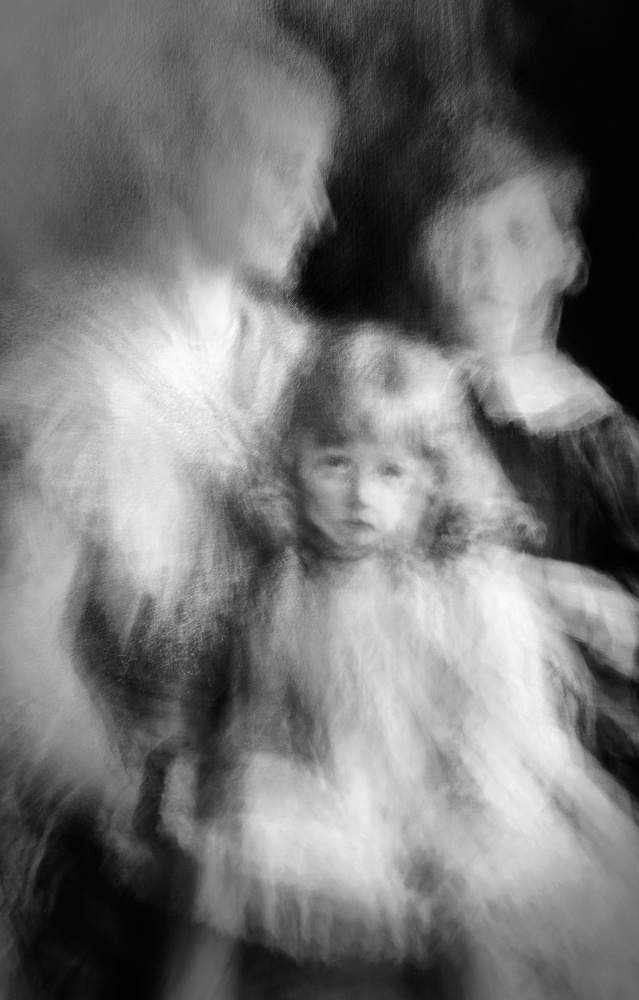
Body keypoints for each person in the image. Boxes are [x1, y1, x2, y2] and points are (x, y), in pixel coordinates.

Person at [163, 328, 639, 999]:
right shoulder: (288, 589)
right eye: (335, 464)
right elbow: (272, 711)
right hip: (345, 796)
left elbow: (507, 737)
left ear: (432, 479)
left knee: (472, 918)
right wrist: (237, 768)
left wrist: (440, 827)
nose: (361, 496)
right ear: (293, 461)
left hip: (466, 801)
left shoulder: (467, 591)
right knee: (219, 866)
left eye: (391, 473)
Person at [0, 14, 340, 998]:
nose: (317, 209)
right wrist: (145, 804)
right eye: (283, 167)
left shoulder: (303, 365)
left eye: (321, 174)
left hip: (297, 813)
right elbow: (18, 655)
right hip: (113, 842)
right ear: (173, 154)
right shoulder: (73, 378)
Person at [414, 133, 639, 781]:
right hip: (424, 707)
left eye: (518, 237)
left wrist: (600, 603)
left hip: (571, 731)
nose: (484, 264)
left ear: (568, 259)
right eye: (461, 236)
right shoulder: (400, 395)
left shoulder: (592, 432)